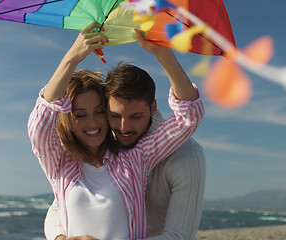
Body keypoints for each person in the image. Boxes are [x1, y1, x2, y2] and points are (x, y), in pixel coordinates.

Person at [28, 22, 204, 240]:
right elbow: (39, 126)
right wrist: (72, 57)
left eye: (99, 111)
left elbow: (189, 116)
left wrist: (164, 55)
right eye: (80, 115)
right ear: (68, 118)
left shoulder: (135, 158)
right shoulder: (59, 163)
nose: (92, 123)